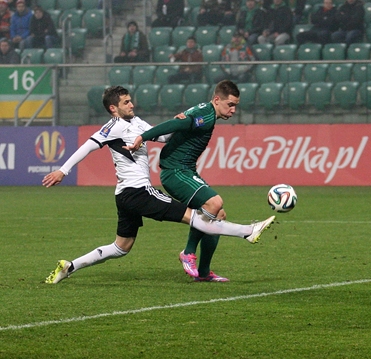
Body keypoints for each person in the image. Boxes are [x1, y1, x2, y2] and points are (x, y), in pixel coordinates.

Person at [42, 85, 275, 284]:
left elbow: (162, 137)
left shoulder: (136, 122)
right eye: (126, 102)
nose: (131, 104)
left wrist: (180, 122)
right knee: (201, 217)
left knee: (121, 247)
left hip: (124, 196)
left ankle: (69, 266)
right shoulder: (114, 126)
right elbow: (89, 145)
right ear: (114, 108)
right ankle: (247, 232)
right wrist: (63, 170)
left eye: (130, 100)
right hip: (139, 192)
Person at [127, 80, 257, 283]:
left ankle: (204, 273)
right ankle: (188, 252)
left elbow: (183, 120)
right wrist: (142, 137)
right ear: (216, 100)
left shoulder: (206, 111)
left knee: (218, 215)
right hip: (175, 171)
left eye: (235, 106)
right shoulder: (206, 116)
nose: (233, 110)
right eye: (230, 104)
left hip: (185, 170)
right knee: (214, 203)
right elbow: (177, 124)